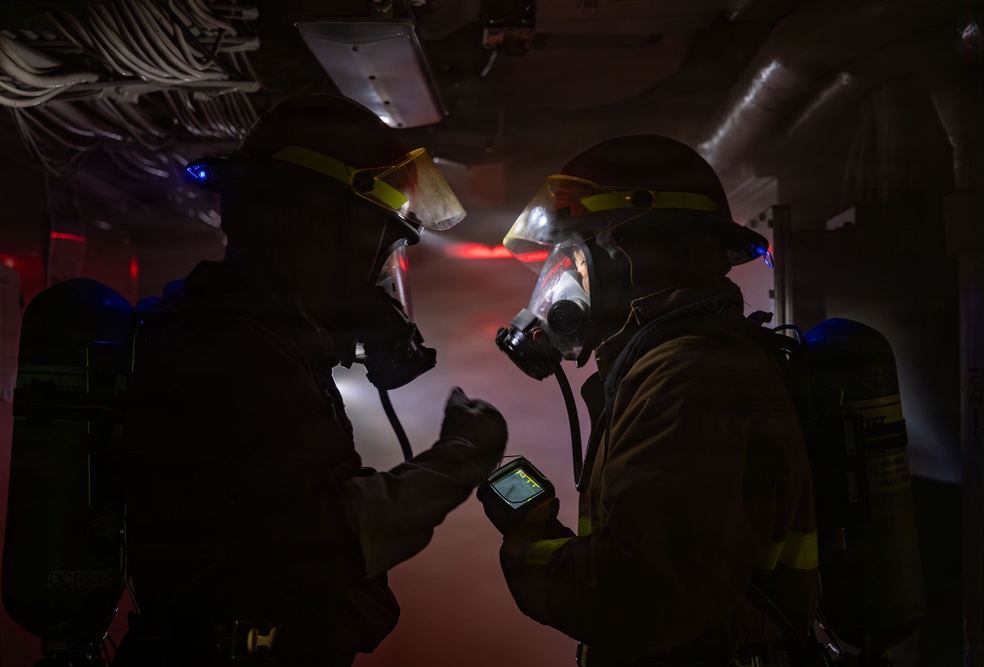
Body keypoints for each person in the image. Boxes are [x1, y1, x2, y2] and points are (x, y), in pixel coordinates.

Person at [115, 93, 507, 666]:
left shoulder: (256, 336)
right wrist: (461, 457)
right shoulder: (233, 349)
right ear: (325, 229)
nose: (379, 279)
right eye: (379, 249)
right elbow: (331, 537)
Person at [482, 135, 820, 666]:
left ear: (637, 256)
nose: (561, 285)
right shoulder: (669, 367)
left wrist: (530, 539)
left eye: (573, 257)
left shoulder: (690, 375)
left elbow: (637, 598)